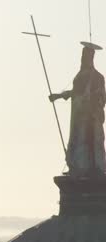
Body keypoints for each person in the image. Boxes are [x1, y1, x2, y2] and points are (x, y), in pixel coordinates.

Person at [51, 42, 106, 175]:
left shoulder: (97, 77)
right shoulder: (80, 75)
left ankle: (94, 167)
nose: (83, 58)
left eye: (85, 55)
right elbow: (75, 92)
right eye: (83, 55)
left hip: (91, 116)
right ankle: (77, 166)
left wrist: (93, 98)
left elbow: (102, 96)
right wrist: (58, 96)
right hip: (79, 115)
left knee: (91, 140)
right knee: (78, 139)